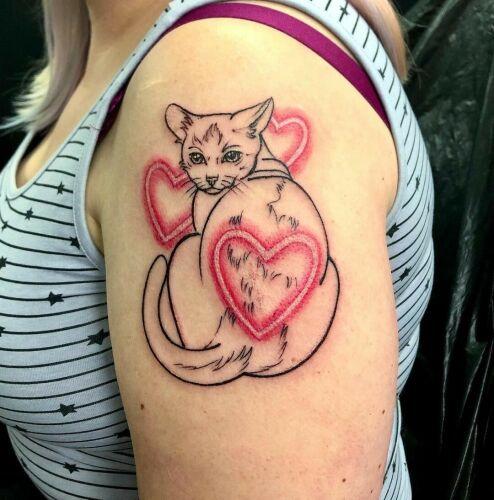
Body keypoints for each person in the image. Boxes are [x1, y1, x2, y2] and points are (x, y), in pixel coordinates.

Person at [0, 0, 433, 498]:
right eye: (199, 160)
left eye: (227, 156)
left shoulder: (216, 67)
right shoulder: (106, 42)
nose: (208, 175)